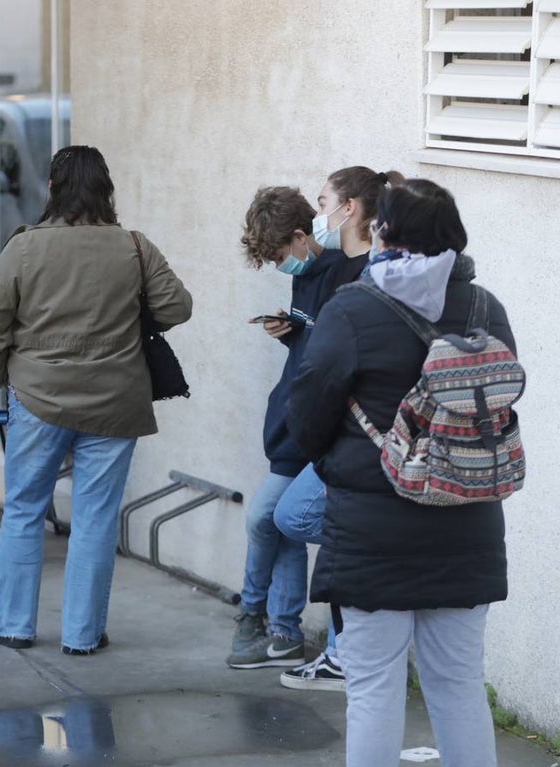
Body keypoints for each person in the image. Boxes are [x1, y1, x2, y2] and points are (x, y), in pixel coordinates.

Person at [288, 178, 515, 766]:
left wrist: (336, 462)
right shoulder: (485, 308)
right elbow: (496, 408)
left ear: (384, 231)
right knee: (459, 685)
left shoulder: (352, 309)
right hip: (468, 521)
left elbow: (308, 410)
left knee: (372, 689)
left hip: (372, 527)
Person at [0, 145, 192, 655]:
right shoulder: (134, 247)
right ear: (106, 192)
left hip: (38, 396)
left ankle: (11, 625)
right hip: (116, 401)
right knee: (95, 519)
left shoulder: (24, 248)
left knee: (25, 509)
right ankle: (83, 634)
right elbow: (177, 306)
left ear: (51, 189)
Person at [228, 169, 401, 696]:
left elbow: (341, 358)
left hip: (325, 432)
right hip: (299, 424)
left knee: (275, 518)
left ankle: (269, 621)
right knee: (278, 521)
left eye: (324, 202)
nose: (318, 211)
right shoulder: (316, 275)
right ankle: (283, 631)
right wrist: (291, 333)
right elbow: (319, 351)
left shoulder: (351, 273)